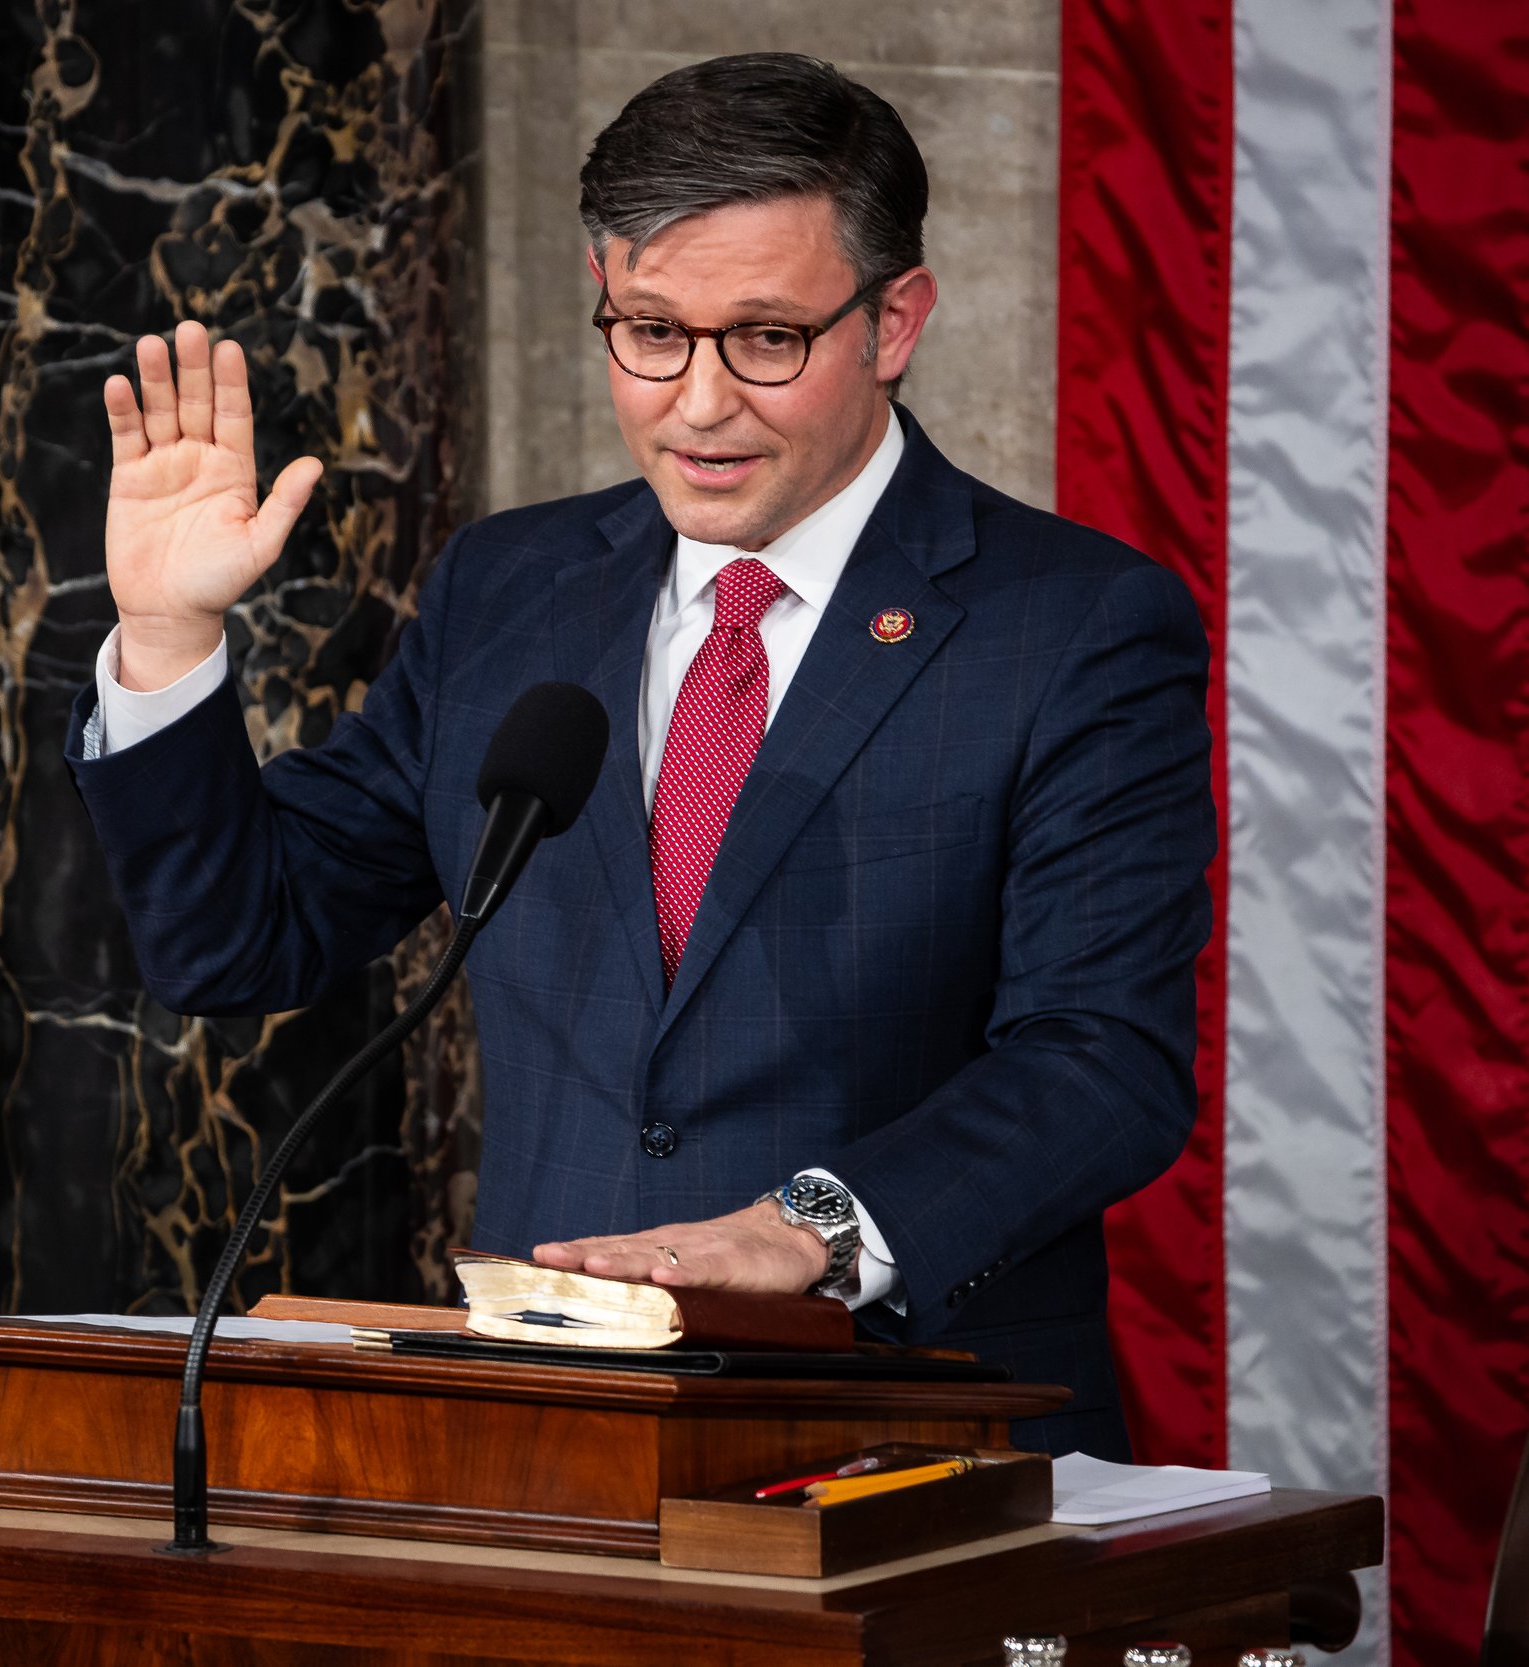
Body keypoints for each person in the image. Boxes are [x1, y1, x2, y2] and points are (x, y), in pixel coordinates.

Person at [62, 53, 1214, 1459]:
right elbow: (242, 942)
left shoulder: (1075, 626)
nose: (699, 403)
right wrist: (168, 635)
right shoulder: (510, 591)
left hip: (911, 1434)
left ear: (893, 321)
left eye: (767, 339)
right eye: (651, 331)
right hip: (549, 1441)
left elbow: (1104, 1063)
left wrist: (806, 1232)